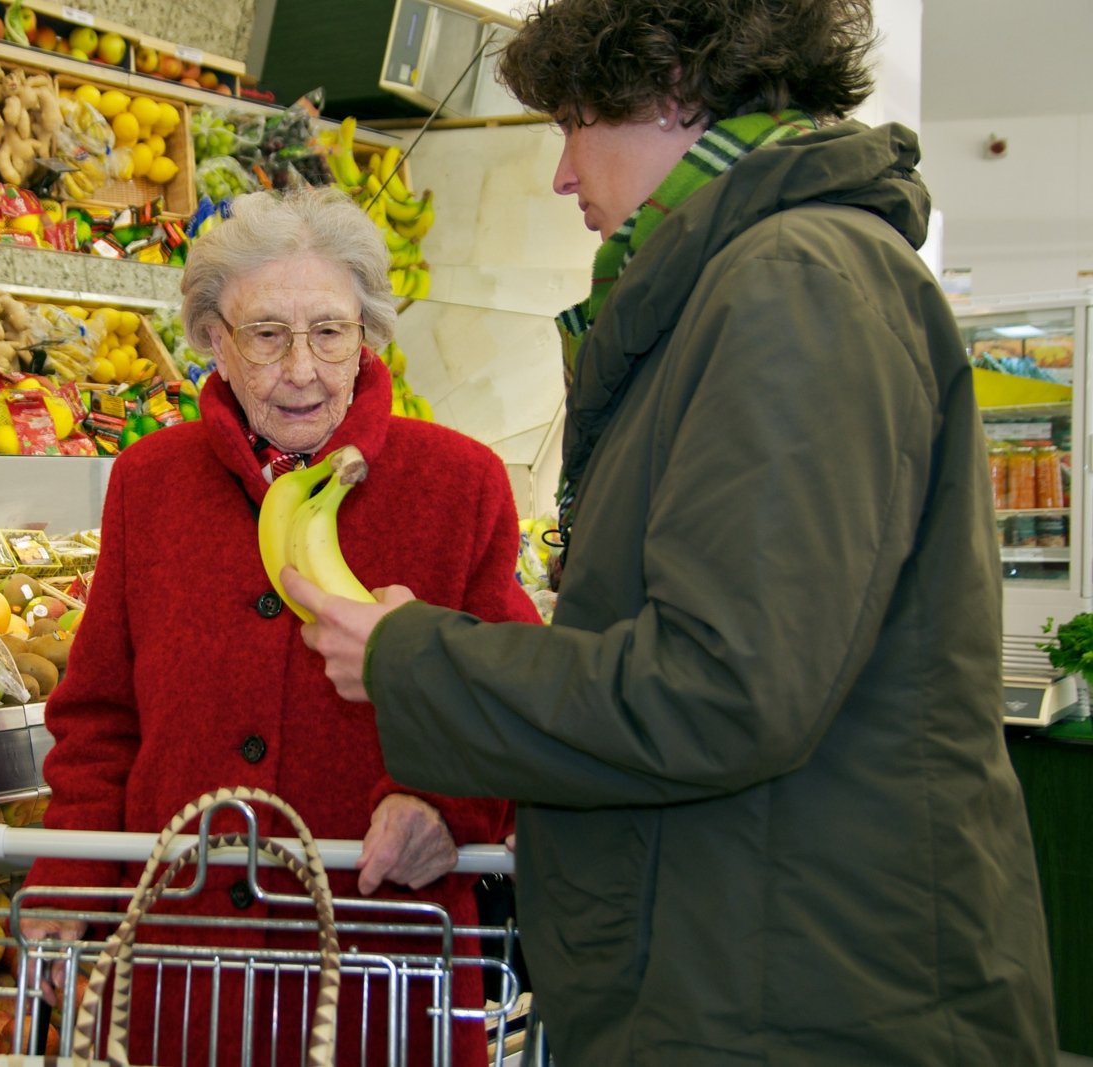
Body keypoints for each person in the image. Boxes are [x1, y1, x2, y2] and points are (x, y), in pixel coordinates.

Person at [286, 0, 1059, 1062]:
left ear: (669, 91)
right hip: (754, 959)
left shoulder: (793, 285)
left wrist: (414, 660)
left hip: (794, 995)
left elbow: (725, 688)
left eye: (570, 123)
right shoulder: (759, 282)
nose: (562, 175)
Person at [21, 186, 539, 1064]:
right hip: (179, 960)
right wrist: (72, 869)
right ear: (215, 341)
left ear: (367, 334)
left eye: (330, 332)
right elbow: (101, 715)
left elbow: (518, 697)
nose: (302, 368)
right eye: (267, 335)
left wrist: (451, 809)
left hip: (383, 955)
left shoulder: (461, 485)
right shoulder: (151, 483)